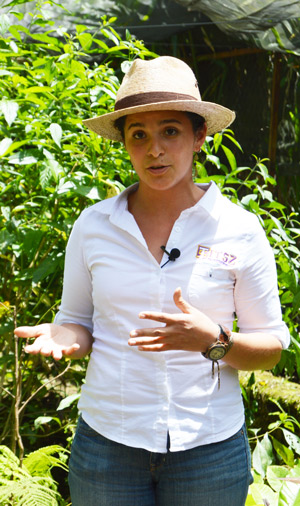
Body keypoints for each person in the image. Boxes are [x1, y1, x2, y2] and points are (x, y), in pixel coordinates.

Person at [15, 56, 290, 506]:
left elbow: (272, 348)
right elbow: (78, 323)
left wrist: (212, 341)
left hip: (210, 449)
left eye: (170, 131)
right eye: (138, 135)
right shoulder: (94, 226)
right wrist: (67, 334)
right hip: (108, 445)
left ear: (199, 136)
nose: (154, 149)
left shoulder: (238, 229)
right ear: (124, 142)